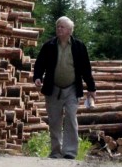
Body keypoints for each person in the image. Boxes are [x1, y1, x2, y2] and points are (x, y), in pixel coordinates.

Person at [33, 16, 96, 159]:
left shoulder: (79, 47)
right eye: (57, 27)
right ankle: (55, 152)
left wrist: (91, 88)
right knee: (54, 121)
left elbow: (86, 69)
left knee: (71, 118)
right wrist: (37, 77)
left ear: (69, 30)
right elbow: (39, 64)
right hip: (53, 88)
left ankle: (69, 152)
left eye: (62, 27)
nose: (59, 29)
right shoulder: (49, 46)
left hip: (72, 89)